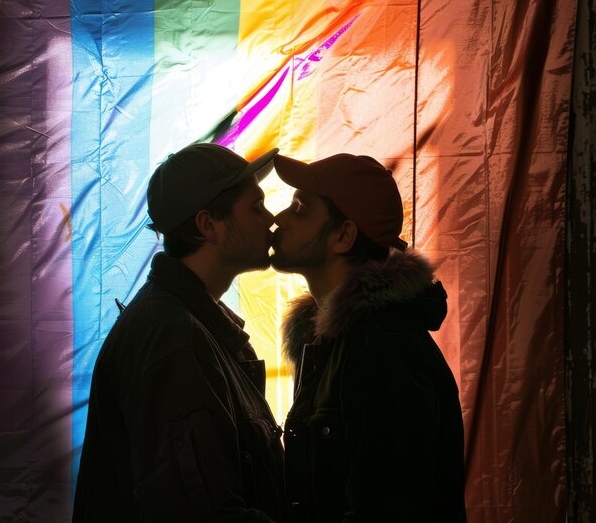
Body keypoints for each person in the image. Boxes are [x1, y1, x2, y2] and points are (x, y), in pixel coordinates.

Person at [73, 143, 289, 523]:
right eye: (256, 207)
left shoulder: (191, 325)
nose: (271, 219)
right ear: (208, 225)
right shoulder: (172, 336)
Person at [270, 153, 467, 522]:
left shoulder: (386, 349)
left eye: (299, 210)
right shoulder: (332, 341)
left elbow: (391, 509)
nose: (278, 220)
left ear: (343, 236)